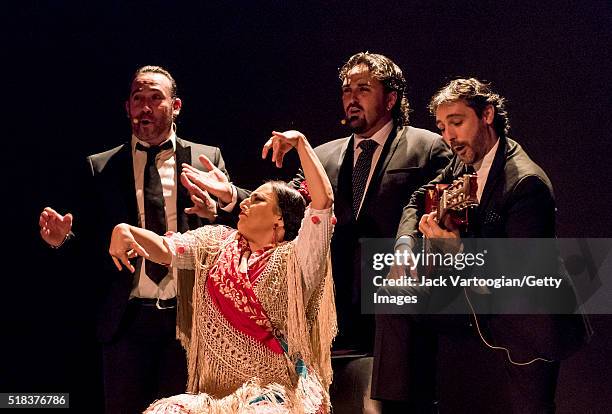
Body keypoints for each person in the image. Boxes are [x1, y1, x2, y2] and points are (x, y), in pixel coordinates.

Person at [38, 65, 247, 413]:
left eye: (155, 98)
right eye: (138, 99)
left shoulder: (205, 158)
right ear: (127, 107)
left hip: (189, 321)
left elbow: (233, 234)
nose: (145, 107)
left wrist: (217, 209)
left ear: (176, 105)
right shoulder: (101, 166)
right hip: (126, 321)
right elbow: (93, 245)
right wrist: (63, 240)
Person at [374, 78, 589, 413]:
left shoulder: (526, 184)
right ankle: (399, 406)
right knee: (394, 297)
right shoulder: (464, 160)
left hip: (530, 323)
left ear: (487, 114)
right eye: (443, 127)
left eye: (457, 123)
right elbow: (418, 198)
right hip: (481, 307)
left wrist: (458, 251)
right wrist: (404, 245)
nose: (449, 137)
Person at [108, 130, 336, 413]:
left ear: (279, 219)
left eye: (257, 200)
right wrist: (126, 231)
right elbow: (167, 250)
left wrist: (301, 142)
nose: (244, 203)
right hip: (219, 395)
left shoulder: (297, 259)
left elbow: (323, 203)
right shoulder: (216, 242)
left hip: (277, 391)